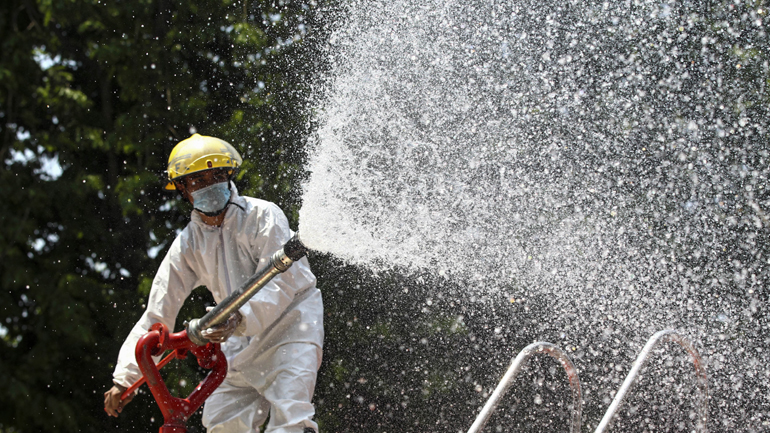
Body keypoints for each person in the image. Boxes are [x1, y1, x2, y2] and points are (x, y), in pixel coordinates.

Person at [103, 134, 324, 433]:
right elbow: (157, 317)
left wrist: (239, 317)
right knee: (221, 423)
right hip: (237, 343)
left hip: (291, 329)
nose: (211, 184)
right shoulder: (187, 245)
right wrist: (125, 379)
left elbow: (282, 285)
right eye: (199, 179)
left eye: (217, 175)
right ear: (182, 188)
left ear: (229, 175)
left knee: (291, 420)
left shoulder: (263, 215)